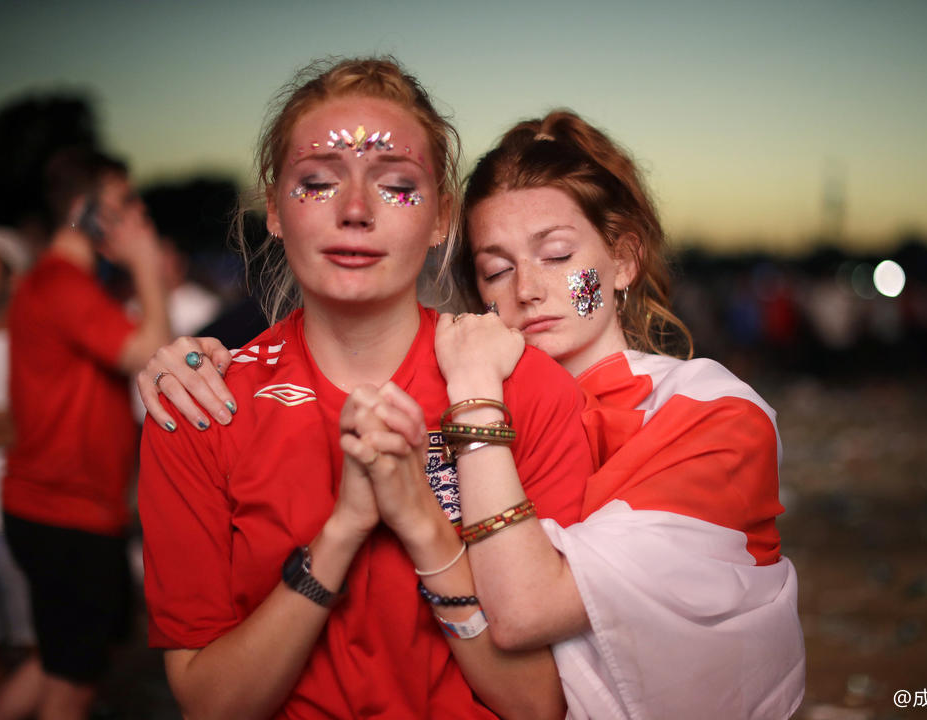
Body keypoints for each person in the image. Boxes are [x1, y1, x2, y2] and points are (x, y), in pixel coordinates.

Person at [143, 108, 806, 719]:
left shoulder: (708, 412)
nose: (528, 288)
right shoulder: (468, 396)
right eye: (495, 268)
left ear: (624, 259)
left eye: (558, 255)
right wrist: (197, 360)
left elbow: (522, 614)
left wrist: (476, 395)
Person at [136, 57, 590, 719]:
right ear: (274, 210)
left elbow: (540, 703)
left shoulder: (527, 390)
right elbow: (210, 705)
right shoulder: (202, 405)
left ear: (442, 218)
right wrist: (343, 531)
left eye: (397, 184)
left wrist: (420, 523)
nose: (354, 211)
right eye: (318, 183)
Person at [2, 149, 170, 720]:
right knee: (74, 681)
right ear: (85, 209)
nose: (135, 215)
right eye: (123, 202)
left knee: (59, 661)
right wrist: (146, 262)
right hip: (65, 510)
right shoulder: (60, 283)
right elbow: (152, 357)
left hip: (58, 506)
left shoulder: (61, 284)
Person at [0, 227, 41, 720]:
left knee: (31, 644)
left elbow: (36, 421)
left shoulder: (35, 341)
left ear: (13, 274)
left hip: (14, 517)